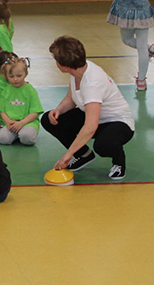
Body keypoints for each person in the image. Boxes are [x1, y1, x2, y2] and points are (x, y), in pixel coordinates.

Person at [41, 36, 135, 180]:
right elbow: (71, 98)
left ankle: (119, 162)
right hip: (94, 117)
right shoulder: (77, 71)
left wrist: (68, 154)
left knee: (103, 145)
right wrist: (58, 110)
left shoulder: (92, 83)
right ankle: (84, 155)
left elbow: (90, 127)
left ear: (64, 66)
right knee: (49, 120)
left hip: (118, 122)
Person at [0, 56, 41, 146]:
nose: (15, 79)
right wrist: (8, 122)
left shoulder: (30, 91)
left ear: (26, 73)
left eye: (19, 76)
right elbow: (2, 111)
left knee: (27, 137)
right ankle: (14, 134)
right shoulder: (6, 90)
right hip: (11, 124)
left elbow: (35, 112)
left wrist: (21, 123)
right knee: (2, 138)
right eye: (11, 76)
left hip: (28, 123)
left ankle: (21, 134)